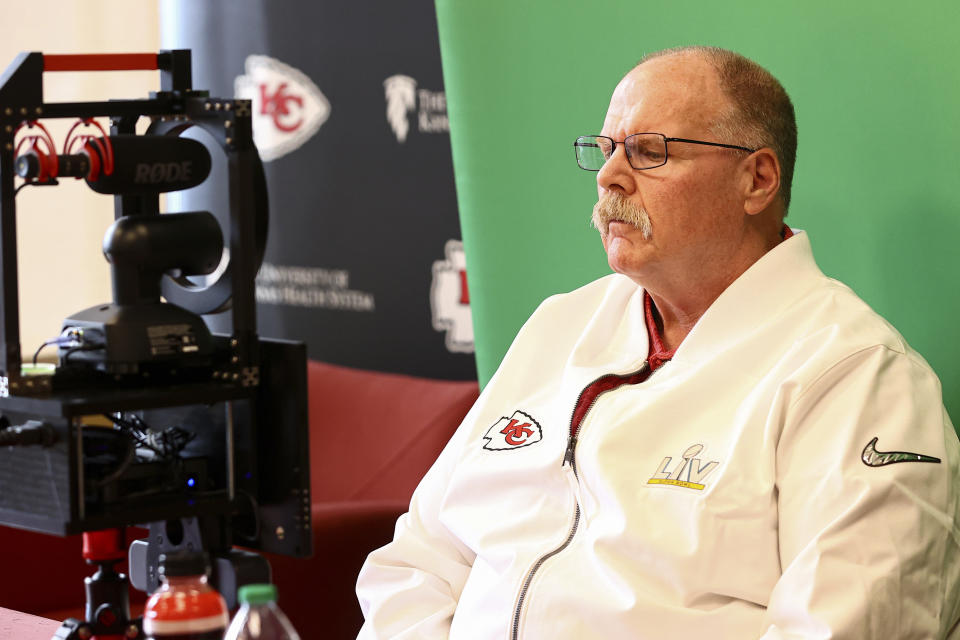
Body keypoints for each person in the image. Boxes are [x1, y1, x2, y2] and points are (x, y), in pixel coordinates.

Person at [355, 46, 960, 638]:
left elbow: (847, 626)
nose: (611, 177)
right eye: (607, 149)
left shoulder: (856, 374)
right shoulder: (561, 324)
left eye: (650, 153)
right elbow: (419, 562)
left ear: (757, 179)